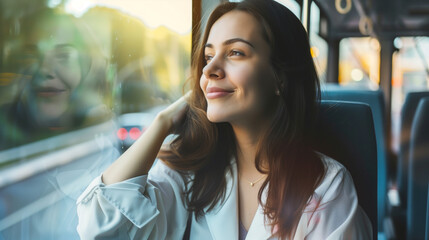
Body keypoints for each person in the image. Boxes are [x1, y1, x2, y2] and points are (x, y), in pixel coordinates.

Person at [76, 0, 373, 239]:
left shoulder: (326, 186)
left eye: (235, 53)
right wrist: (162, 123)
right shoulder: (190, 172)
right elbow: (100, 229)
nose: (210, 70)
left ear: (279, 77)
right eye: (208, 57)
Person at [0, 9, 111, 150]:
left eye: (62, 56)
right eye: (33, 55)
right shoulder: (5, 123)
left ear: (87, 68)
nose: (44, 70)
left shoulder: (99, 128)